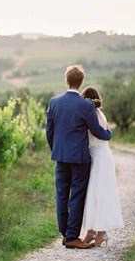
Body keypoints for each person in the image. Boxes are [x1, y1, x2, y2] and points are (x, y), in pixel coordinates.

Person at [46, 65, 112, 249]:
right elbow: (98, 131)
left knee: (62, 195)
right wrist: (110, 134)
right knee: (77, 195)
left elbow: (49, 132)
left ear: (66, 80)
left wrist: (57, 149)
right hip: (80, 158)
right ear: (81, 82)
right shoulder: (86, 105)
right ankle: (73, 237)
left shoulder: (54, 102)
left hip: (60, 156)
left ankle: (65, 234)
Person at [81, 86, 124, 247]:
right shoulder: (96, 113)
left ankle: (101, 232)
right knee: (93, 194)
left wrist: (109, 134)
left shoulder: (94, 114)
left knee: (101, 193)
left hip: (101, 157)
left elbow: (100, 133)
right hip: (96, 156)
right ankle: (92, 231)